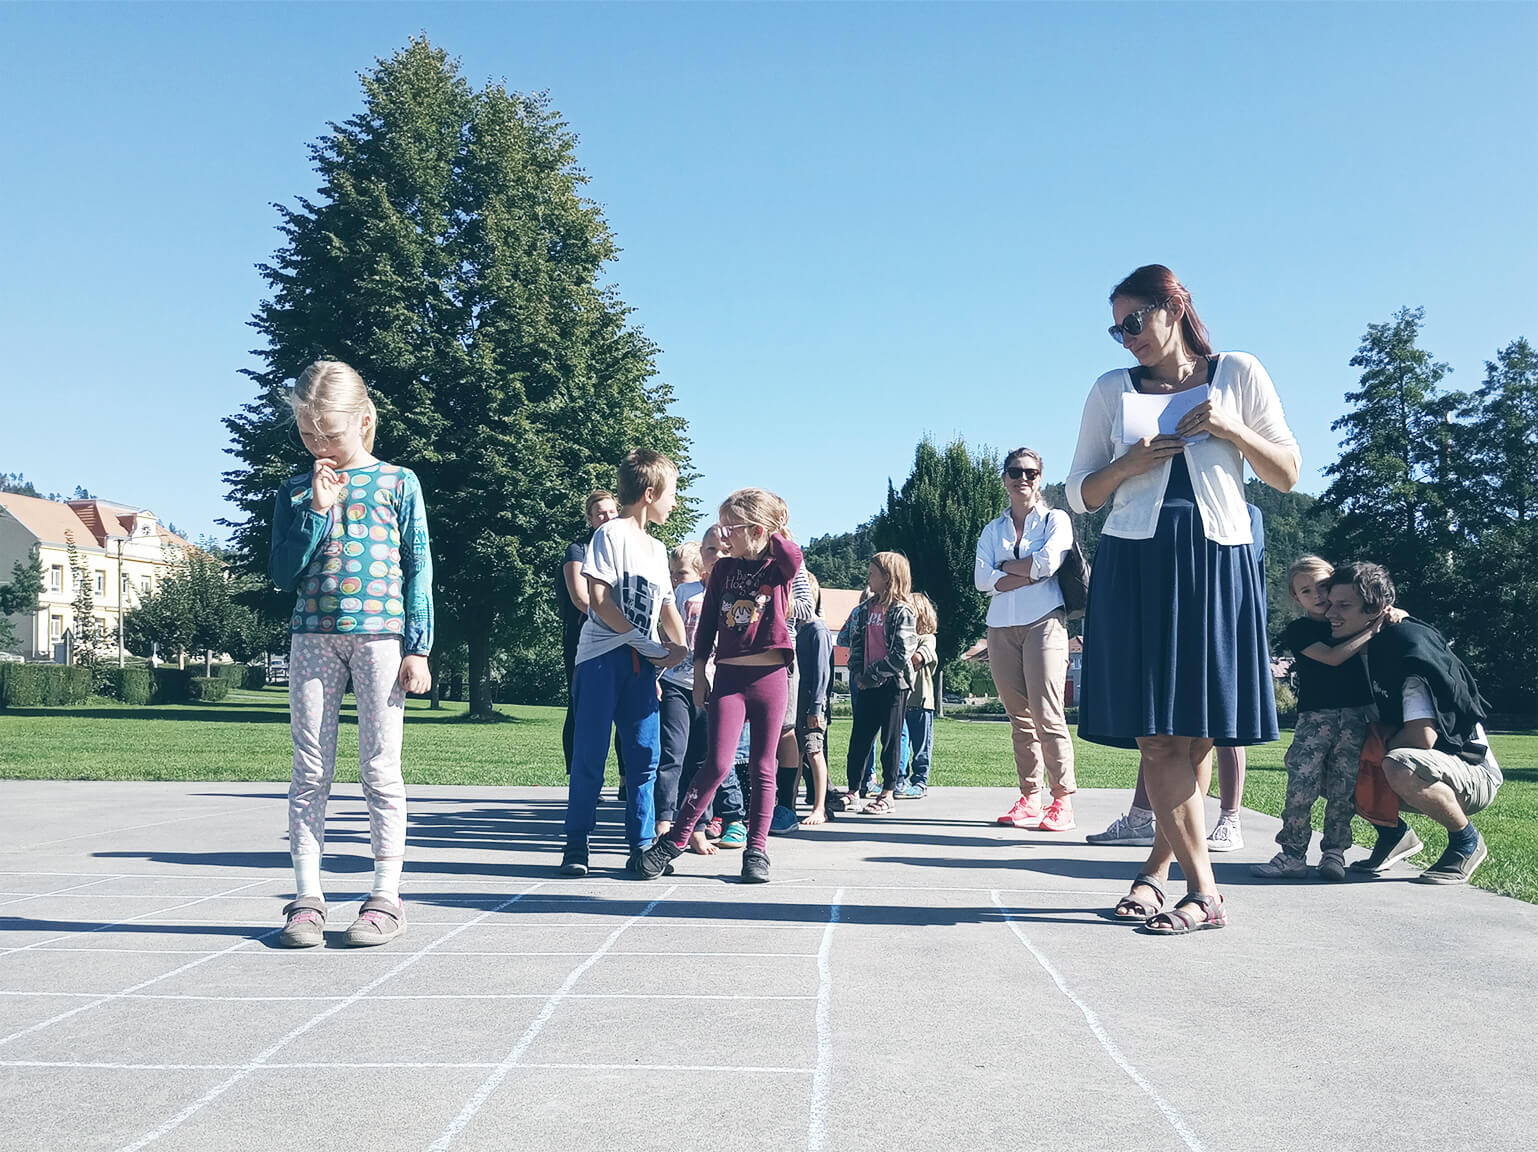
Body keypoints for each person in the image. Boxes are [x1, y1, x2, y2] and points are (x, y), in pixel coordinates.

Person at [1068, 264, 1299, 934]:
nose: (1127, 337)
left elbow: (1287, 473)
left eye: (1134, 321)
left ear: (1173, 306)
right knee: (1155, 735)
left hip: (1215, 559)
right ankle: (1205, 891)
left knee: (1193, 735)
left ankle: (1155, 874)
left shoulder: (1238, 372)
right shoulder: (1111, 389)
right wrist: (1128, 464)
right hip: (1135, 562)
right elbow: (1080, 493)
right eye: (1117, 329)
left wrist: (1232, 429)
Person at [270, 360, 433, 948]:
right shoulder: (295, 490)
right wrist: (316, 511)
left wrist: (419, 647)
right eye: (307, 434)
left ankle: (385, 896)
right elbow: (282, 573)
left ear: (364, 422)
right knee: (310, 768)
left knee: (379, 769)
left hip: (380, 638)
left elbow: (418, 567)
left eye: (330, 434)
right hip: (312, 638)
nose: (319, 446)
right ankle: (307, 897)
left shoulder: (398, 482)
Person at [636, 488, 804, 883]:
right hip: (728, 676)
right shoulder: (723, 571)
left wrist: (773, 526)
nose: (724, 535)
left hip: (769, 678)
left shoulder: (778, 568)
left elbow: (792, 555)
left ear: (756, 529)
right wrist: (699, 674)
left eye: (731, 527)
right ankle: (674, 841)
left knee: (763, 766)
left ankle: (757, 849)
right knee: (716, 763)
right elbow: (708, 624)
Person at [1090, 503, 1267, 850]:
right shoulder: (1156, 506)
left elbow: (1249, 572)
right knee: (1160, 735)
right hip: (1173, 608)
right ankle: (1143, 821)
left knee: (1216, 728)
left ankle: (1229, 819)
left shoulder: (1243, 512)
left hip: (1217, 613)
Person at [1325, 562, 1502, 884]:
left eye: (1343, 606)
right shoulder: (1356, 647)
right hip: (1419, 760)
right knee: (1316, 762)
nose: (1331, 614)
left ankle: (1466, 842)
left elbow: (1422, 737)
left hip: (1471, 771)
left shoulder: (1405, 649)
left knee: (1398, 764)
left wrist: (1374, 747)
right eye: (1330, 604)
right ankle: (1393, 835)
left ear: (1377, 609)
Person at [559, 449, 688, 878]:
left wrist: (681, 647)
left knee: (645, 754)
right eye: (672, 493)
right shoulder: (610, 535)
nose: (674, 503)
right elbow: (598, 600)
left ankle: (642, 846)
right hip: (601, 660)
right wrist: (644, 643)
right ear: (650, 494)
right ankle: (576, 844)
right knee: (590, 753)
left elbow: (667, 607)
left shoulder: (657, 549)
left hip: (642, 667)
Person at [1251, 555, 1391, 880]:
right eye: (1306, 591)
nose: (1317, 595)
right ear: (1295, 597)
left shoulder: (1349, 621)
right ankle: (1292, 854)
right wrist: (1372, 629)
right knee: (1301, 786)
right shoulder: (1300, 630)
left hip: (1355, 716)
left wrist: (1383, 619)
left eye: (1323, 586)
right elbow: (1331, 657)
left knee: (1344, 788)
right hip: (1315, 718)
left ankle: (1334, 853)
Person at [974, 447, 1077, 829]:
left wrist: (1004, 570)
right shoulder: (993, 529)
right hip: (1001, 626)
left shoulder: (1055, 519)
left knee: (1048, 713)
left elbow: (1048, 564)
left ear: (1040, 478)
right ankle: (1030, 796)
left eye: (1030, 473)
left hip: (1044, 622)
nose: (1023, 479)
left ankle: (1062, 800)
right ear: (1004, 478)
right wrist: (1027, 573)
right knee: (1019, 717)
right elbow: (980, 579)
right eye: (1015, 472)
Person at [840, 552, 918, 815]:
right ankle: (853, 791)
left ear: (888, 577)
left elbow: (901, 653)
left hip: (893, 685)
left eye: (872, 573)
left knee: (891, 739)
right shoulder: (865, 609)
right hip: (866, 684)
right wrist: (857, 672)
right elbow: (856, 644)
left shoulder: (902, 611)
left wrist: (872, 675)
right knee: (859, 739)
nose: (868, 578)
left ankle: (888, 793)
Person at [558, 490, 622, 775]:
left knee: (625, 708)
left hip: (622, 635)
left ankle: (625, 780)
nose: (607, 517)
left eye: (611, 511)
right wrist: (612, 621)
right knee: (582, 705)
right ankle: (580, 777)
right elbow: (580, 598)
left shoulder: (625, 550)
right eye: (600, 514)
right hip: (583, 637)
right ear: (590, 518)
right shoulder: (578, 550)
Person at [655, 542, 707, 846]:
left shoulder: (714, 594)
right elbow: (663, 635)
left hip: (708, 685)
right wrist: (656, 675)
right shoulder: (679, 595)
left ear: (700, 571)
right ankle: (664, 819)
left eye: (681, 573)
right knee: (672, 753)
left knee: (702, 759)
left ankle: (698, 825)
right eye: (672, 573)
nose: (675, 578)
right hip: (675, 682)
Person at [793, 569, 834, 825]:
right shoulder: (796, 629)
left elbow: (823, 672)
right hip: (795, 699)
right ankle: (788, 802)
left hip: (811, 701)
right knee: (794, 754)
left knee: (814, 751)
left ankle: (820, 807)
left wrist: (816, 707)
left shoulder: (817, 629)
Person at [896, 592, 939, 798]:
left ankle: (920, 781)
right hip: (902, 700)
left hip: (922, 701)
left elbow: (917, 659)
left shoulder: (928, 639)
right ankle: (899, 779)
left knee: (922, 746)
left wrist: (901, 645)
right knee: (899, 742)